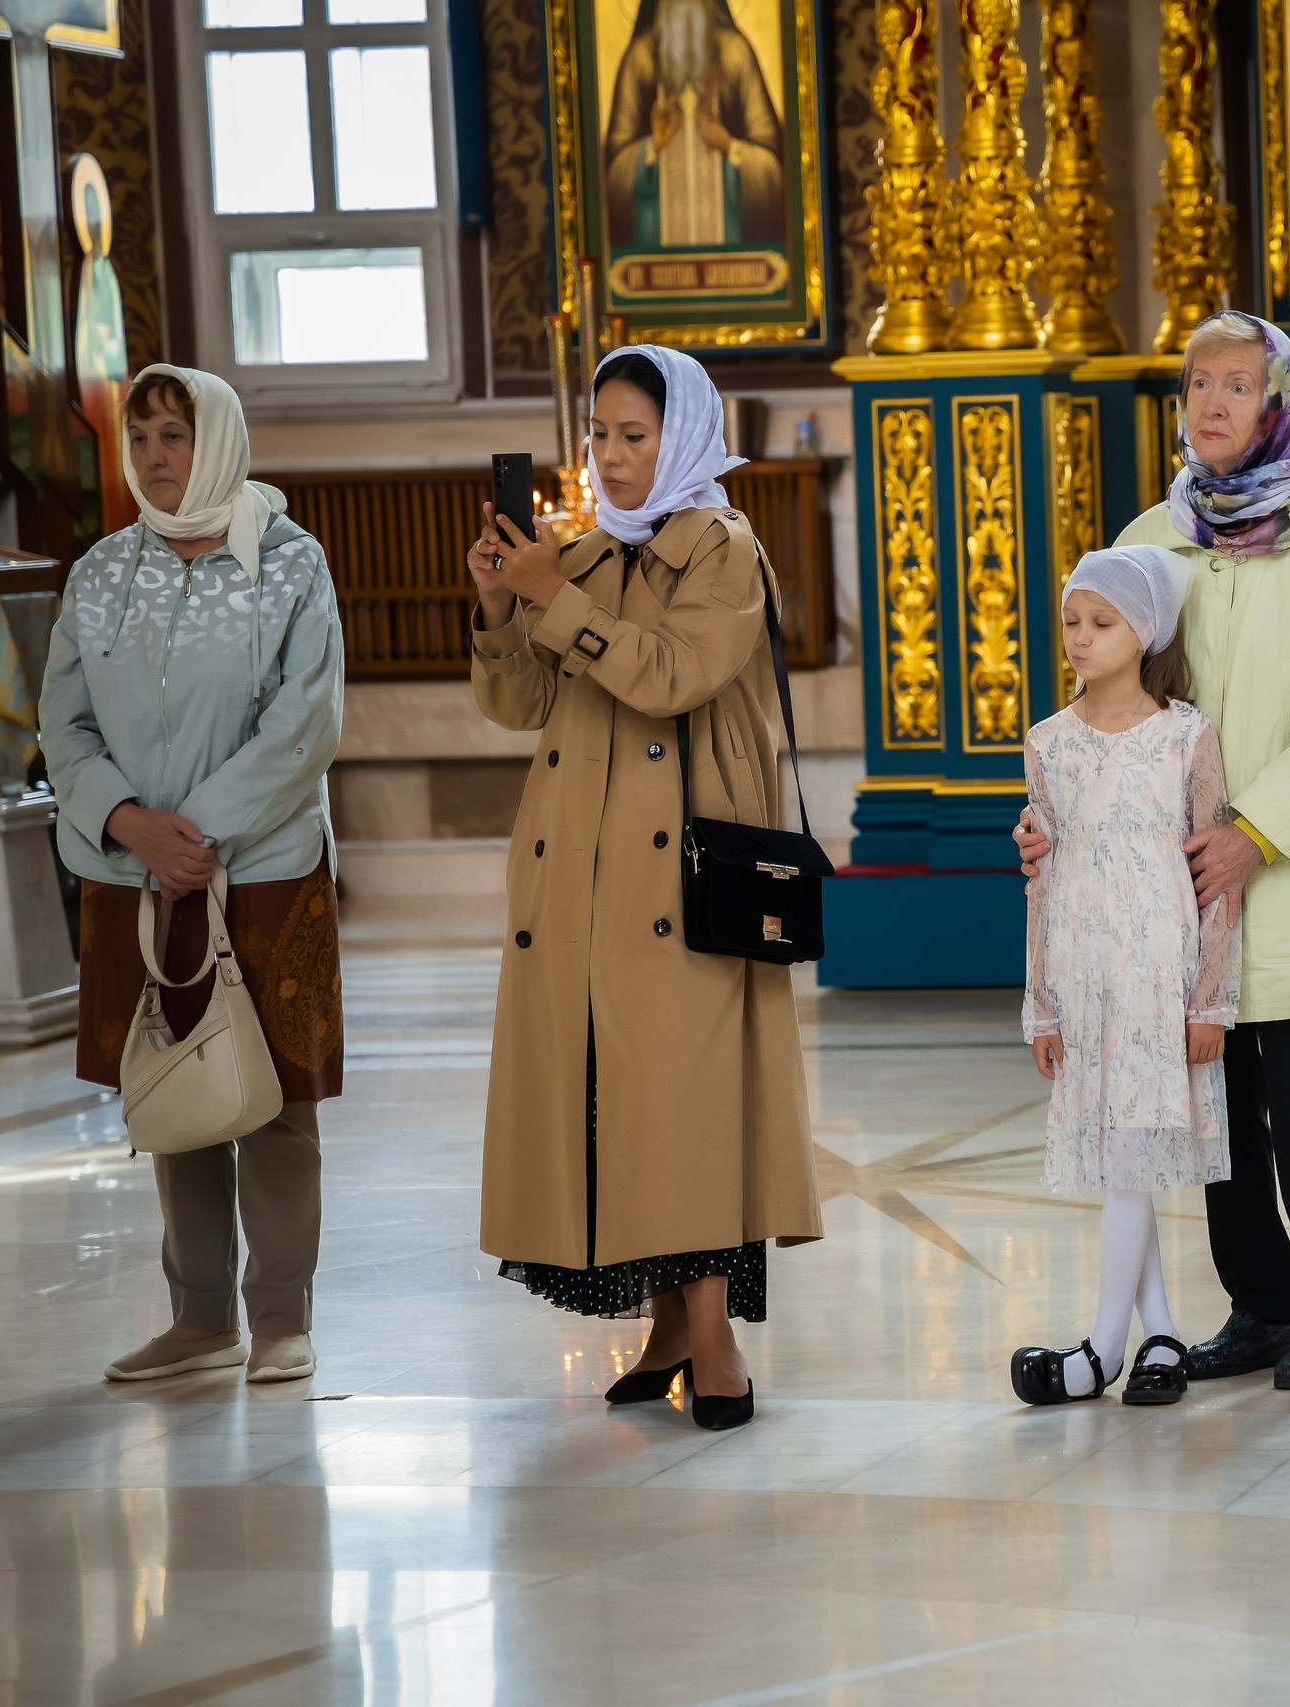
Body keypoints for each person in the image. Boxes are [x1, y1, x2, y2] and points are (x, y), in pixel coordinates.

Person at [1017, 310, 1290, 1391]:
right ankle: (1261, 1308)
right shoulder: (1152, 535)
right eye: (1198, 384)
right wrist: (1050, 812)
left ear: (1278, 404)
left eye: (1239, 385)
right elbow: (1102, 690)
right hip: (1169, 887)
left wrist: (1255, 830)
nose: (1214, 403)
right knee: (1218, 1107)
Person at [467, 343, 822, 1433]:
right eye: (599, 436)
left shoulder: (722, 547)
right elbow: (520, 709)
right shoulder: (580, 552)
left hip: (683, 876)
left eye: (635, 435)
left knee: (684, 1106)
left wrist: (552, 596)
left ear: (686, 436)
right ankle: (667, 1329)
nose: (611, 457)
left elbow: (670, 676)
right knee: (614, 1104)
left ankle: (714, 1342)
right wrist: (500, 607)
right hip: (577, 877)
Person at [40, 363, 345, 1386]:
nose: (155, 456)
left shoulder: (289, 563)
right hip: (136, 871)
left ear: (215, 441)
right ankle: (201, 1320)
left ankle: (281, 1318)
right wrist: (131, 825)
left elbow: (306, 722)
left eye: (175, 434)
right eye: (140, 437)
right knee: (170, 1080)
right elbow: (63, 724)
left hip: (263, 867)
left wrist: (195, 833)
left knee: (273, 1097)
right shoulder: (100, 572)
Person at [1010, 545, 1241, 1408]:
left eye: (1101, 622)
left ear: (1143, 633)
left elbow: (1218, 887)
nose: (1080, 636)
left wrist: (1212, 999)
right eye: (1072, 620)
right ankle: (1163, 1334)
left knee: (1128, 1156)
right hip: (1083, 975)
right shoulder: (1047, 742)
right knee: (1123, 1162)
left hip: (1158, 979)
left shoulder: (1187, 736)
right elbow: (1041, 882)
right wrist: (1042, 1006)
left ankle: (1101, 1349)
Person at [601, 0, 786, 249]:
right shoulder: (641, 58)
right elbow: (613, 174)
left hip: (732, 249)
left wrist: (730, 147)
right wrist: (652, 148)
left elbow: (773, 166)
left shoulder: (735, 53)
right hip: (654, 251)